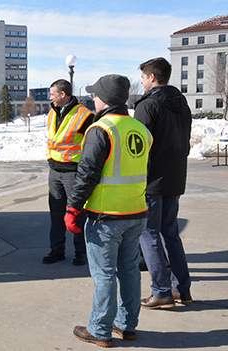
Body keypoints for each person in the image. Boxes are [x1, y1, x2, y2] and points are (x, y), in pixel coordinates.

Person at [65, 74, 152, 347]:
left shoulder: (101, 129)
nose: (93, 98)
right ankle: (127, 325)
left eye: (95, 95)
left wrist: (73, 208)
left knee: (104, 274)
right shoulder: (140, 129)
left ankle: (100, 329)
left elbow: (87, 173)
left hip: (105, 217)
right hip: (136, 212)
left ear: (104, 99)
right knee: (129, 270)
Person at [135, 57, 193, 309]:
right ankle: (181, 289)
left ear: (152, 77)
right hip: (175, 178)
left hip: (152, 181)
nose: (141, 81)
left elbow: (137, 148)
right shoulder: (181, 103)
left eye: (143, 77)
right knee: (170, 234)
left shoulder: (148, 105)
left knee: (148, 234)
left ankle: (161, 291)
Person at [43, 79, 95, 266]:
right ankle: (57, 250)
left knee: (77, 214)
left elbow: (91, 145)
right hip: (54, 171)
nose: (50, 97)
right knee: (56, 214)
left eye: (52, 94)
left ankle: (81, 252)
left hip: (73, 173)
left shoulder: (85, 115)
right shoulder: (52, 113)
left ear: (62, 95)